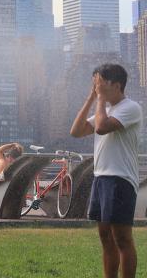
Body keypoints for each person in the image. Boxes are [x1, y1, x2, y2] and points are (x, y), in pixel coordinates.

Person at [70, 63, 142, 278]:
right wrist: (91, 99)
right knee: (105, 237)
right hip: (101, 178)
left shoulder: (131, 107)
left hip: (120, 179)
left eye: (101, 83)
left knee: (122, 238)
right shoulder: (105, 109)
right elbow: (76, 131)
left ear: (117, 85)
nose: (97, 87)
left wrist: (99, 99)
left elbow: (101, 128)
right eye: (95, 84)